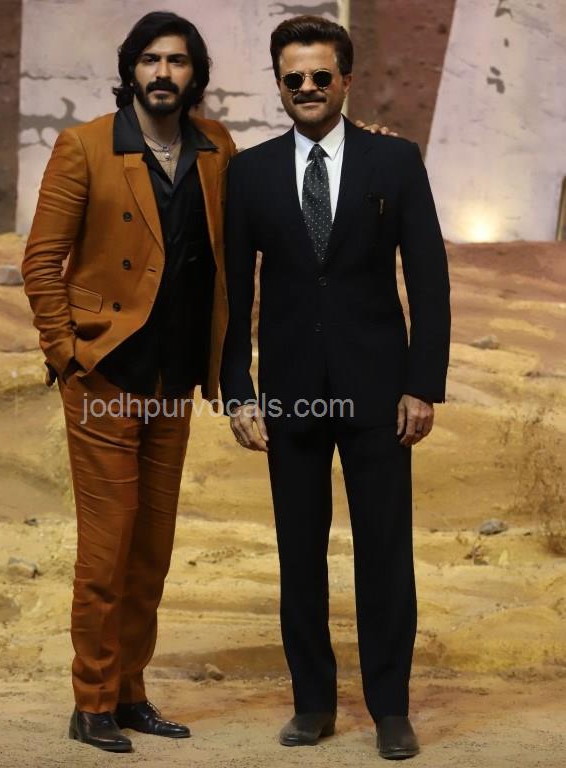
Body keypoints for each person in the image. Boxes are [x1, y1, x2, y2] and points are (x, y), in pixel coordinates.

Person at [220, 15, 451, 760]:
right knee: (299, 554)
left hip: (380, 392)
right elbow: (233, 292)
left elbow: (429, 280)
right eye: (294, 78)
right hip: (289, 393)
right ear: (278, 84)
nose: (308, 87)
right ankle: (313, 704)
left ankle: (390, 710)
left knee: (385, 554)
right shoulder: (250, 173)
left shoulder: (396, 162)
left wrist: (423, 384)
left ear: (346, 79)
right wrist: (237, 389)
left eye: (321, 75)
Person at [22, 11, 235, 753]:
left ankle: (130, 691)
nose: (163, 72)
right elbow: (41, 261)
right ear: (131, 71)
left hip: (174, 384)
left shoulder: (216, 148)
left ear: (194, 74)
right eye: (150, 59)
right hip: (105, 378)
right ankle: (91, 704)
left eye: (176, 60)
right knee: (107, 552)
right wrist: (67, 355)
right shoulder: (84, 146)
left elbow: (235, 250)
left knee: (151, 554)